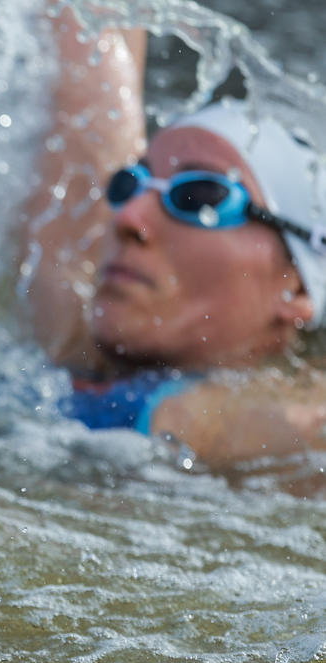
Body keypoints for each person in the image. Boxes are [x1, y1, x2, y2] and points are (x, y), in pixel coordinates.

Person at [21, 7, 326, 469]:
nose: (128, 217)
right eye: (131, 183)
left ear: (298, 286)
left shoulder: (239, 421)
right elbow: (88, 28)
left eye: (199, 196)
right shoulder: (63, 330)